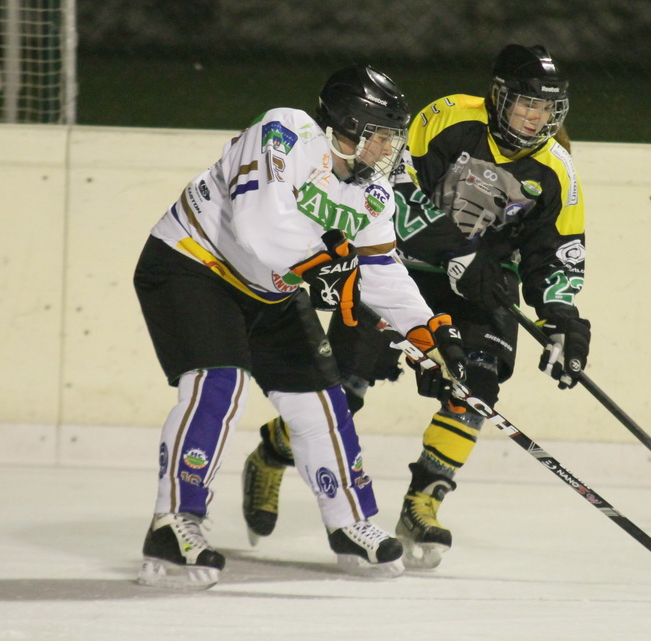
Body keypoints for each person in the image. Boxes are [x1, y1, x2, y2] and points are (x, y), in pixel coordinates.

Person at [242, 44, 590, 569]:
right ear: (499, 96)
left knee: (476, 387)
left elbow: (557, 253)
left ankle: (424, 500)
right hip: (399, 265)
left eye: (546, 108)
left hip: (482, 283)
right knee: (345, 389)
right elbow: (390, 192)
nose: (536, 118)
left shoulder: (558, 168)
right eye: (526, 104)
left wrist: (561, 320)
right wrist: (456, 247)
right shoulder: (448, 117)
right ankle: (273, 449)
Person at [132, 64, 467, 590]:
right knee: (220, 382)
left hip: (271, 291)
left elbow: (379, 269)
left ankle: (349, 522)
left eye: (392, 137)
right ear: (347, 125)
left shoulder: (374, 193)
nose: (389, 148)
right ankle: (173, 522)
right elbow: (259, 227)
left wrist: (427, 332)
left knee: (322, 403)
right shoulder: (285, 131)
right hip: (193, 266)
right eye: (380, 135)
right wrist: (325, 263)